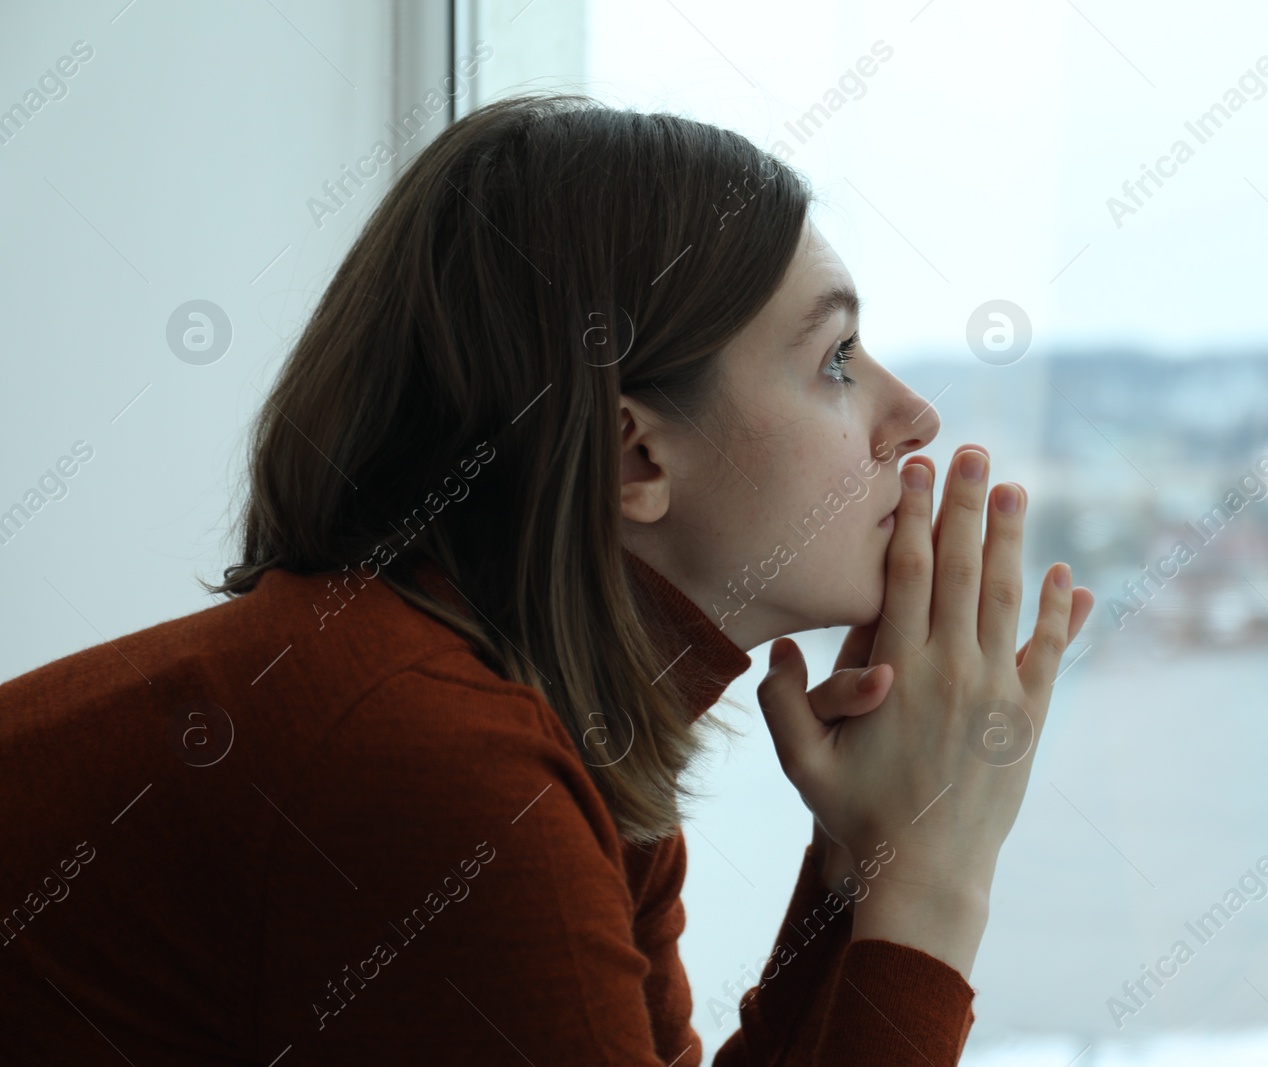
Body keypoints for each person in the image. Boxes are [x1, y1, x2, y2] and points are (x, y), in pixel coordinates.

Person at [0, 92, 1092, 1064]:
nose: (912, 416)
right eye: (836, 361)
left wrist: (866, 864)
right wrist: (936, 884)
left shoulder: (558, 728)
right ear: (634, 456)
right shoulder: (435, 765)